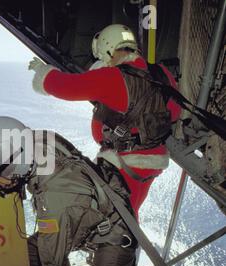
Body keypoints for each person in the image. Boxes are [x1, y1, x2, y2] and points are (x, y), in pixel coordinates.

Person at [0, 116, 140, 266]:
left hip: (113, 235)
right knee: (25, 256)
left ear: (13, 167)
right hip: (93, 209)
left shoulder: (54, 200)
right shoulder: (37, 141)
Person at [28, 24, 182, 218]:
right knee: (129, 214)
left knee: (115, 220)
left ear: (108, 49)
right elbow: (175, 112)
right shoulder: (161, 72)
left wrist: (43, 72)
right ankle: (127, 244)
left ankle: (122, 246)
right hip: (152, 160)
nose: (103, 62)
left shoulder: (114, 77)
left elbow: (67, 87)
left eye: (102, 57)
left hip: (123, 164)